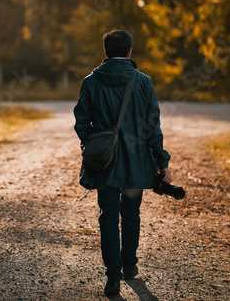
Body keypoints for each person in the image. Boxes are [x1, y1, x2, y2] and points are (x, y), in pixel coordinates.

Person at [73, 29, 172, 296]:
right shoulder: (143, 82)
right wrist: (162, 162)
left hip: (104, 164)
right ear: (129, 51)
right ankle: (129, 266)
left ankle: (113, 278)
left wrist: (93, 144)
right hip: (136, 163)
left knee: (107, 216)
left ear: (106, 51)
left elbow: (81, 122)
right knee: (131, 214)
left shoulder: (91, 82)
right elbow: (153, 127)